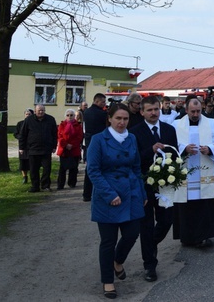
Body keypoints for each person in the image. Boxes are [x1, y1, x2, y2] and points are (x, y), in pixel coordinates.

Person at [87, 103, 147, 299]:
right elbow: (93, 171)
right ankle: (108, 281)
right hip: (108, 195)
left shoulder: (132, 138)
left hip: (131, 193)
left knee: (132, 234)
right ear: (110, 119)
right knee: (108, 241)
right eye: (118, 118)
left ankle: (117, 261)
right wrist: (109, 194)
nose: (122, 122)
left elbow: (137, 168)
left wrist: (143, 192)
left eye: (126, 119)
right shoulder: (98, 140)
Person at [132, 95, 179, 282]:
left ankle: (150, 243)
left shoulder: (169, 129)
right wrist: (149, 150)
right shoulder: (134, 132)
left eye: (156, 109)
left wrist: (176, 172)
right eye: (149, 110)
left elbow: (174, 154)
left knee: (167, 220)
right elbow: (134, 159)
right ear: (142, 112)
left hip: (165, 183)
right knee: (146, 225)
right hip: (144, 184)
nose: (153, 113)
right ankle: (150, 265)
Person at [172, 98, 214, 247]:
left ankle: (205, 235)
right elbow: (170, 143)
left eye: (198, 111)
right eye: (192, 111)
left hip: (204, 171)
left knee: (204, 204)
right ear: (186, 110)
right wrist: (183, 148)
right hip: (185, 173)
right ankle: (187, 237)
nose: (195, 114)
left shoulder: (212, 124)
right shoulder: (176, 125)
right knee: (186, 206)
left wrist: (210, 149)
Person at [19, 105, 58, 192]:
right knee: (33, 169)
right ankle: (35, 186)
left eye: (43, 110)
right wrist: (21, 147)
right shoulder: (29, 120)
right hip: (33, 149)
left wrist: (54, 146)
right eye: (39, 110)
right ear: (35, 111)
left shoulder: (50, 119)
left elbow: (54, 134)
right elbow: (23, 134)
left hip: (46, 149)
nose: (41, 112)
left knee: (47, 169)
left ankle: (45, 185)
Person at [83, 94, 109, 202]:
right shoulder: (102, 114)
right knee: (100, 168)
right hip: (100, 141)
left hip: (89, 141)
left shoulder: (86, 112)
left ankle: (86, 194)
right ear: (97, 101)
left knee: (89, 168)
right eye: (102, 102)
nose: (104, 104)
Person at [56, 109, 84, 189]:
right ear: (65, 116)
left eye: (71, 115)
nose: (70, 117)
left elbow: (79, 137)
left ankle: (72, 183)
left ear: (74, 116)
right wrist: (66, 144)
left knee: (74, 167)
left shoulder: (78, 126)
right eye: (68, 115)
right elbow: (60, 136)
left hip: (74, 149)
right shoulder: (62, 125)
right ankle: (60, 184)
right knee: (62, 168)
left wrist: (72, 145)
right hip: (64, 149)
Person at [14, 108, 34, 184]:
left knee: (32, 163)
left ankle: (33, 177)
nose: (28, 116)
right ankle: (24, 177)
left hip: (32, 146)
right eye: (26, 114)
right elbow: (16, 134)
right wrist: (21, 137)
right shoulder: (20, 124)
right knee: (23, 163)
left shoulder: (34, 123)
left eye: (29, 114)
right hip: (23, 146)